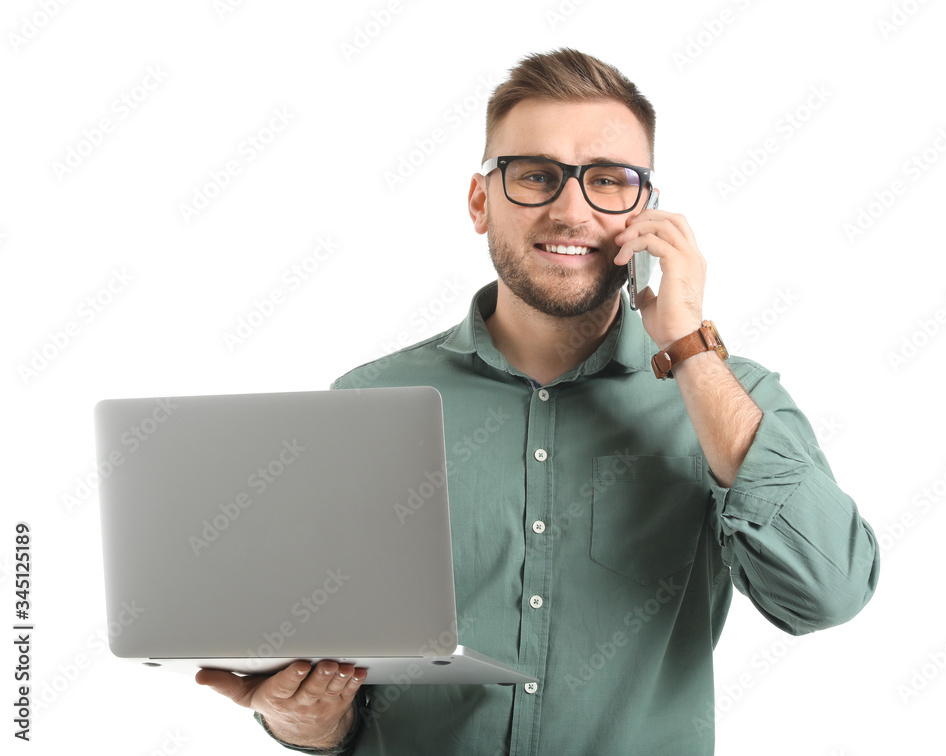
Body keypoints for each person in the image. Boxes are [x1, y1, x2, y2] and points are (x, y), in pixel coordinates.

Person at [196, 48, 880, 755]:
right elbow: (328, 685)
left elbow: (826, 594)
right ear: (479, 202)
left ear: (644, 211)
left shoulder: (734, 401)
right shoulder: (365, 404)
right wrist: (303, 719)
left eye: (608, 181)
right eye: (535, 176)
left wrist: (689, 347)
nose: (570, 209)